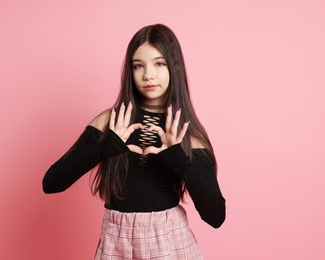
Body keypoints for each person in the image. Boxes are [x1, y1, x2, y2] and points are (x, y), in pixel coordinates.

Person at [42, 23, 226, 260]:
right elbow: (52, 183)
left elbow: (216, 216)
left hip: (168, 242)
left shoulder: (187, 134)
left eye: (159, 63)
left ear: (175, 67)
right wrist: (104, 148)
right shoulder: (111, 121)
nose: (148, 74)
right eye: (138, 65)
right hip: (115, 243)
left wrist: (179, 158)